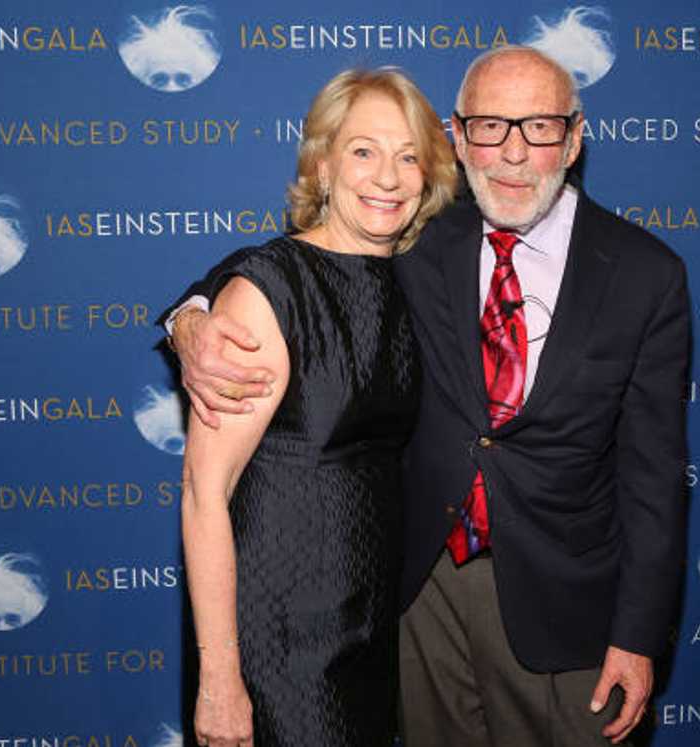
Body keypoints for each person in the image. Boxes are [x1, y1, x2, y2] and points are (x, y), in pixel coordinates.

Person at [170, 46, 689, 747]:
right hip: (421, 600)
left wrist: (637, 636)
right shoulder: (424, 239)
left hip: (565, 612)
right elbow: (293, 264)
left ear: (572, 136)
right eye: (489, 127)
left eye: (537, 127)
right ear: (459, 135)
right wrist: (192, 315)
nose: (511, 153)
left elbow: (655, 479)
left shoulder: (645, 273)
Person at [176, 67, 456, 747]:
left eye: (408, 155)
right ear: (323, 165)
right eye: (363, 151)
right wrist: (220, 677)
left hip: (371, 624)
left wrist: (183, 310)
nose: (387, 176)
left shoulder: (416, 278)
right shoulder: (272, 289)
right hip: (277, 635)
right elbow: (203, 492)